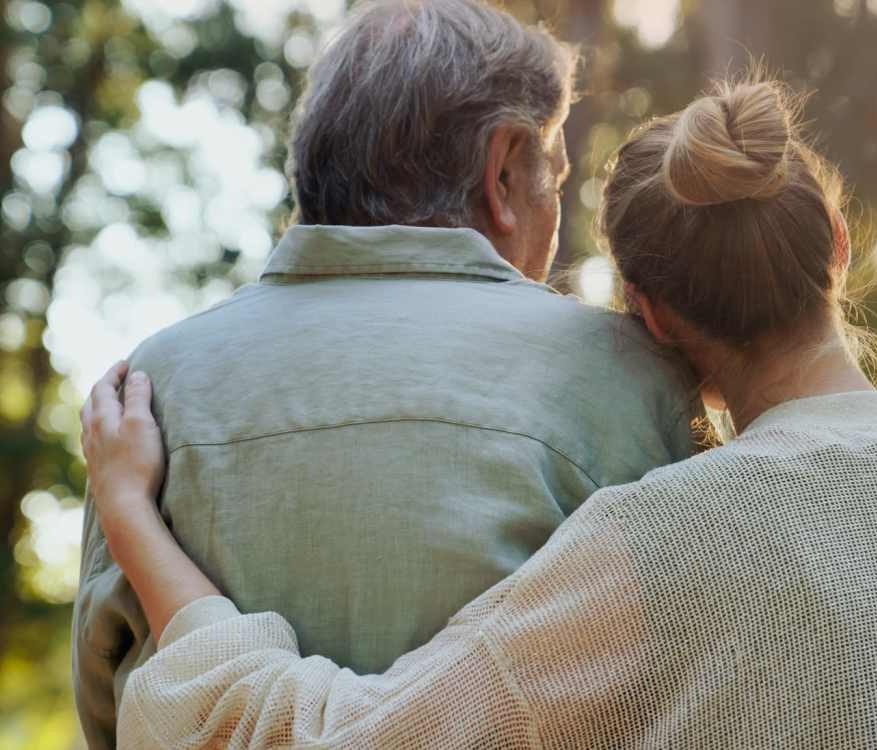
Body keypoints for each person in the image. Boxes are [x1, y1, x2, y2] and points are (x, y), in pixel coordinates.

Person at [81, 79, 877, 748]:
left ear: (650, 317)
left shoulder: (652, 543)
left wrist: (132, 511)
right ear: (839, 243)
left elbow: (330, 740)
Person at [70, 2, 699, 747]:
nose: (553, 208)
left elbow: (110, 705)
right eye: (553, 179)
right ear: (502, 173)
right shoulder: (635, 379)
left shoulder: (148, 392)